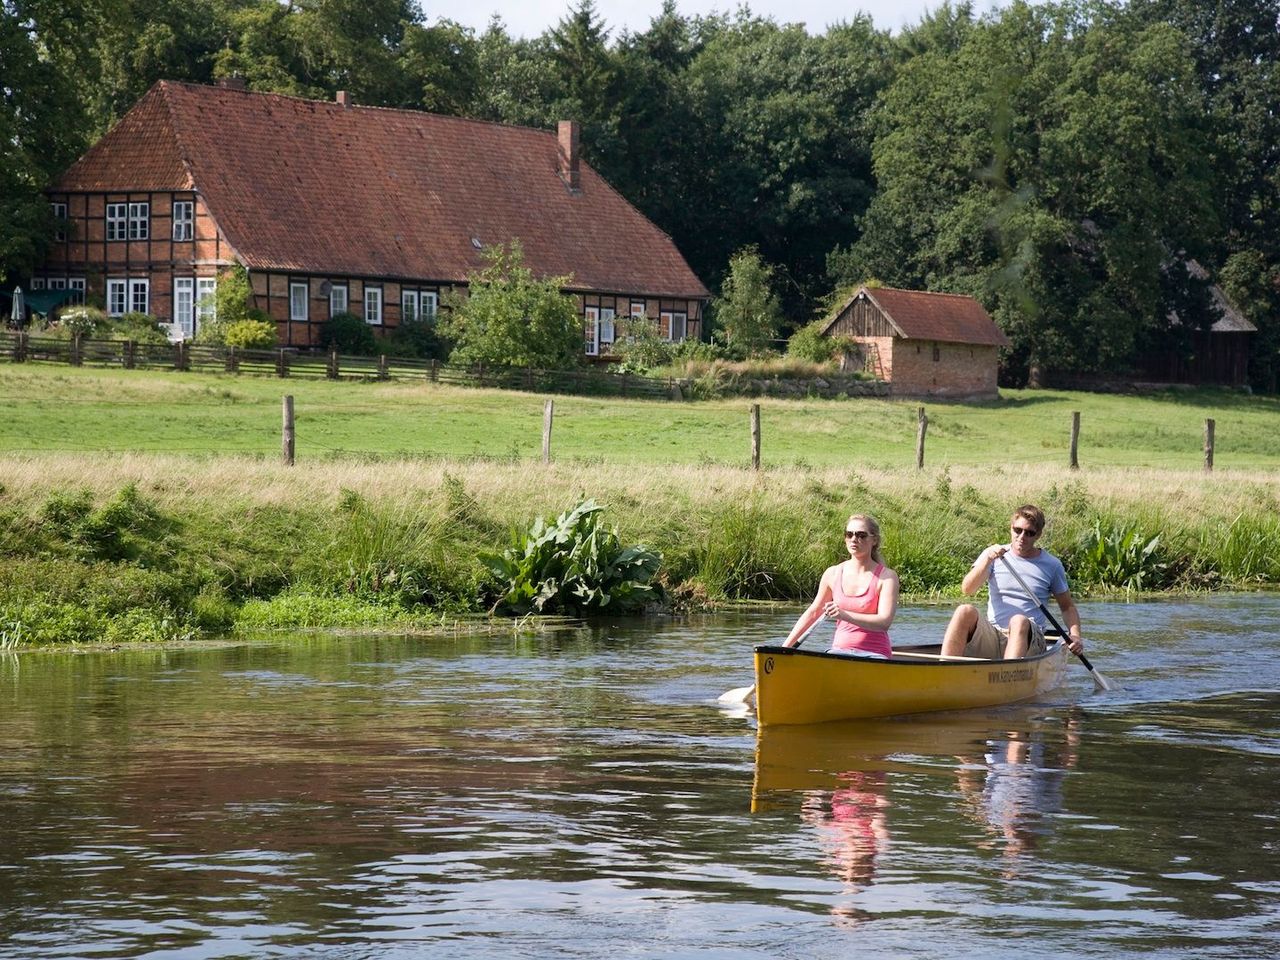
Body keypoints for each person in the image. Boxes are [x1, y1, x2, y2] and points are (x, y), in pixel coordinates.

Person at [941, 504, 1083, 660]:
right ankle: (946, 666)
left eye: (1029, 533)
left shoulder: (1052, 565)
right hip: (995, 635)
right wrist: (987, 559)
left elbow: (1067, 607)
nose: (1022, 537)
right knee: (964, 611)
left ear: (1038, 535)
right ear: (1011, 528)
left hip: (1031, 639)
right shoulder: (993, 554)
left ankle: (1008, 673)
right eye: (1018, 530)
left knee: (1018, 620)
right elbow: (967, 589)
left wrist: (1075, 635)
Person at [784, 514, 899, 658]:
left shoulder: (887, 577)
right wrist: (784, 648)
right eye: (849, 534)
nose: (854, 539)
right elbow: (813, 613)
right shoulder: (832, 573)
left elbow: (884, 622)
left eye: (861, 535)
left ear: (874, 540)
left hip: (874, 654)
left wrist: (843, 614)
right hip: (839, 652)